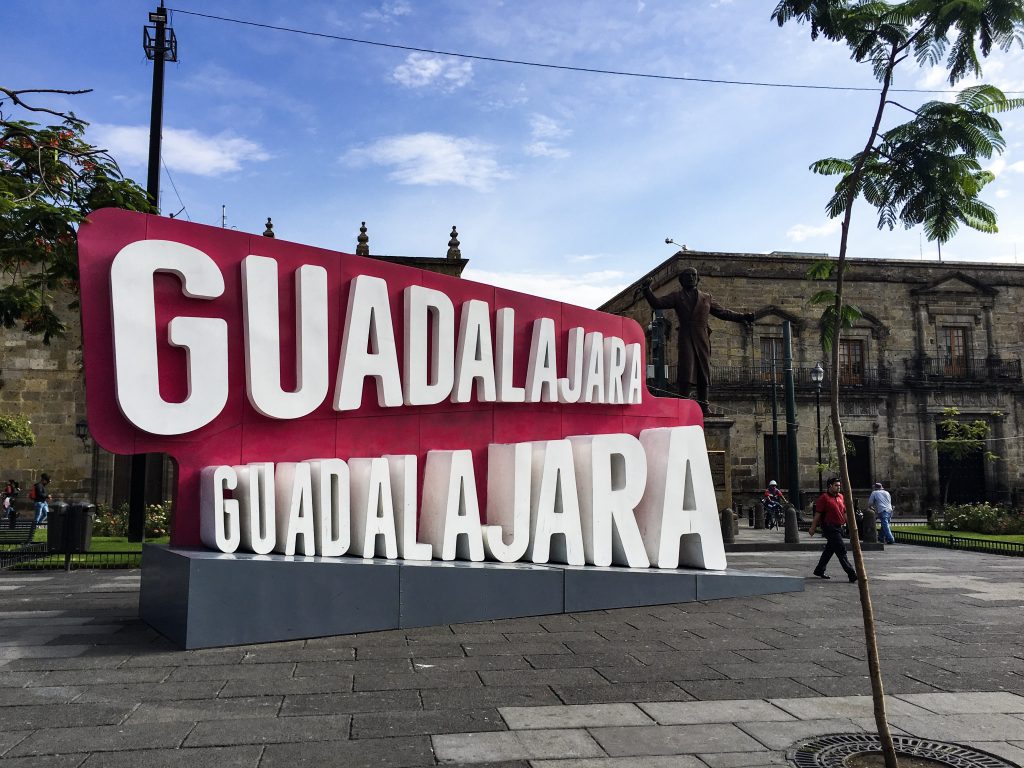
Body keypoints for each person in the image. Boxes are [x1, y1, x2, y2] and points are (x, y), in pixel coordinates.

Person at [642, 267, 754, 415]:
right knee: (686, 370)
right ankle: (682, 404)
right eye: (687, 275)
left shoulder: (706, 297)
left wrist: (742, 316)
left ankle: (704, 406)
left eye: (694, 275)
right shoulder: (677, 296)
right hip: (686, 336)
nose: (691, 278)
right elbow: (657, 303)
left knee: (703, 371)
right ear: (681, 280)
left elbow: (723, 313)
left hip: (702, 337)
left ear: (698, 278)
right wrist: (647, 290)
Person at [808, 476, 857, 582]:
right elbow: (818, 514)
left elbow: (844, 512)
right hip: (829, 527)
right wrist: (813, 527)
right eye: (836, 485)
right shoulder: (824, 498)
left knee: (829, 550)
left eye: (839, 485)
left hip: (839, 527)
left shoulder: (841, 497)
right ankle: (851, 573)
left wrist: (850, 526)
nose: (838, 487)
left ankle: (819, 570)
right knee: (841, 550)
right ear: (830, 486)